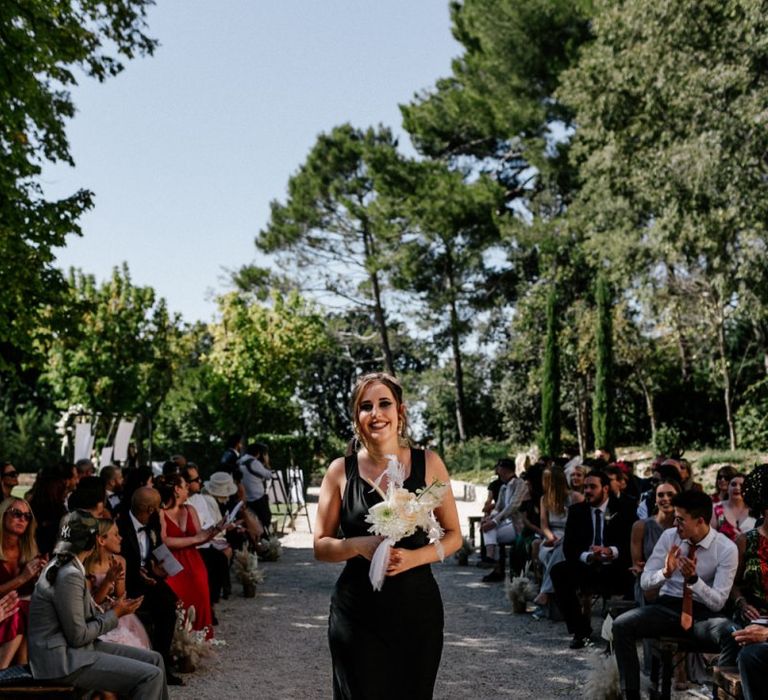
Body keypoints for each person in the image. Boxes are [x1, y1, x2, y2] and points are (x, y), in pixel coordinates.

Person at [314, 371, 462, 700]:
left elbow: (454, 536)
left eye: (384, 403)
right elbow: (321, 547)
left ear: (400, 412)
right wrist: (357, 545)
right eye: (366, 406)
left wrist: (414, 558)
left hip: (417, 612)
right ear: (357, 417)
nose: (376, 413)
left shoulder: (430, 464)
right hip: (357, 614)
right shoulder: (340, 471)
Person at [27, 509, 168, 699]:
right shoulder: (69, 574)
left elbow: (79, 617)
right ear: (93, 541)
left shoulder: (68, 565)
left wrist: (110, 608)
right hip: (62, 661)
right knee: (151, 675)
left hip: (74, 651)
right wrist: (115, 614)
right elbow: (78, 636)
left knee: (155, 659)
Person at [612, 490, 738, 700]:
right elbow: (644, 581)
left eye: (681, 520)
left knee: (731, 633)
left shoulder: (726, 548)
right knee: (621, 625)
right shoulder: (670, 537)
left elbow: (718, 603)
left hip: (702, 614)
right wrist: (665, 572)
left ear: (699, 521)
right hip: (666, 607)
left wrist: (694, 581)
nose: (675, 525)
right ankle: (631, 694)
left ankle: (721, 695)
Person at [550, 469, 637, 649]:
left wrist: (611, 551)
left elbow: (630, 542)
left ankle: (622, 630)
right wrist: (588, 556)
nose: (587, 491)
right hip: (587, 565)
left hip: (615, 566)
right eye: (585, 487)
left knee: (634, 576)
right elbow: (570, 547)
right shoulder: (577, 511)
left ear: (605, 488)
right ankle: (580, 629)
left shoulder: (624, 508)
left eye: (592, 487)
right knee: (558, 572)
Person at [116, 487, 182, 686]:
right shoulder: (120, 525)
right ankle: (154, 662)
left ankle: (163, 659)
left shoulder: (152, 522)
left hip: (150, 576)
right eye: (157, 506)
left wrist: (160, 569)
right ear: (149, 509)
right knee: (164, 605)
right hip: (126, 581)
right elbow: (118, 559)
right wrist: (139, 574)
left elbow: (156, 548)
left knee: (171, 603)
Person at [156, 474, 216, 638]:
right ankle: (180, 641)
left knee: (202, 599)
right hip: (172, 563)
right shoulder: (161, 513)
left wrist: (213, 532)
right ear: (177, 489)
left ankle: (200, 640)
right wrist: (195, 539)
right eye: (185, 486)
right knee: (180, 602)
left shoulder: (190, 509)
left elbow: (199, 537)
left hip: (194, 560)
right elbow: (164, 540)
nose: (188, 489)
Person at [729, 464, 768, 700]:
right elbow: (732, 584)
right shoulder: (746, 540)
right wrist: (741, 602)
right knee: (740, 647)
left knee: (752, 655)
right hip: (753, 615)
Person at [85, 518, 151, 650]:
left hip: (118, 613)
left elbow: (120, 594)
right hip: (98, 617)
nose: (120, 538)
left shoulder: (120, 561)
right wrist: (107, 581)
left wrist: (117, 582)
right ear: (101, 540)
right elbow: (91, 604)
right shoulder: (88, 565)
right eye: (115, 535)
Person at [0, 498, 47, 668]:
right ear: (2, 515)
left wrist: (41, 577)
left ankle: (20, 671)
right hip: (3, 612)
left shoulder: (30, 549)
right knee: (19, 611)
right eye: (17, 514)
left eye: (27, 517)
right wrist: (22, 578)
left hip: (19, 612)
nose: (22, 520)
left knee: (27, 610)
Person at [532, 465, 583, 612]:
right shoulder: (544, 500)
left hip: (571, 536)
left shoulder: (575, 498)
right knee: (549, 553)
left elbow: (582, 524)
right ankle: (558, 599)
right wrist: (550, 537)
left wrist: (563, 539)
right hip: (552, 537)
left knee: (562, 549)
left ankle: (545, 592)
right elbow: (544, 525)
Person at [479, 459, 528, 582]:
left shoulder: (520, 484)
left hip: (518, 525)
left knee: (491, 527)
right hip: (505, 524)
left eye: (498, 468)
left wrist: (494, 521)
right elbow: (498, 507)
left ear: (505, 469)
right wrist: (489, 518)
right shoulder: (503, 487)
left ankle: (495, 564)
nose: (496, 470)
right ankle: (491, 559)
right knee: (486, 527)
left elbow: (513, 506)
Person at [238, 442, 274, 533]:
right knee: (265, 520)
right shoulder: (254, 462)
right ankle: (266, 540)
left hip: (246, 497)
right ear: (258, 453)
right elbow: (268, 475)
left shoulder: (240, 461)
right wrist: (266, 462)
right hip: (258, 497)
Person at [711, 473, 755, 541]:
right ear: (728, 488)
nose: (737, 487)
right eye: (733, 484)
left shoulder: (756, 510)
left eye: (742, 485)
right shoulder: (715, 509)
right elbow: (710, 537)